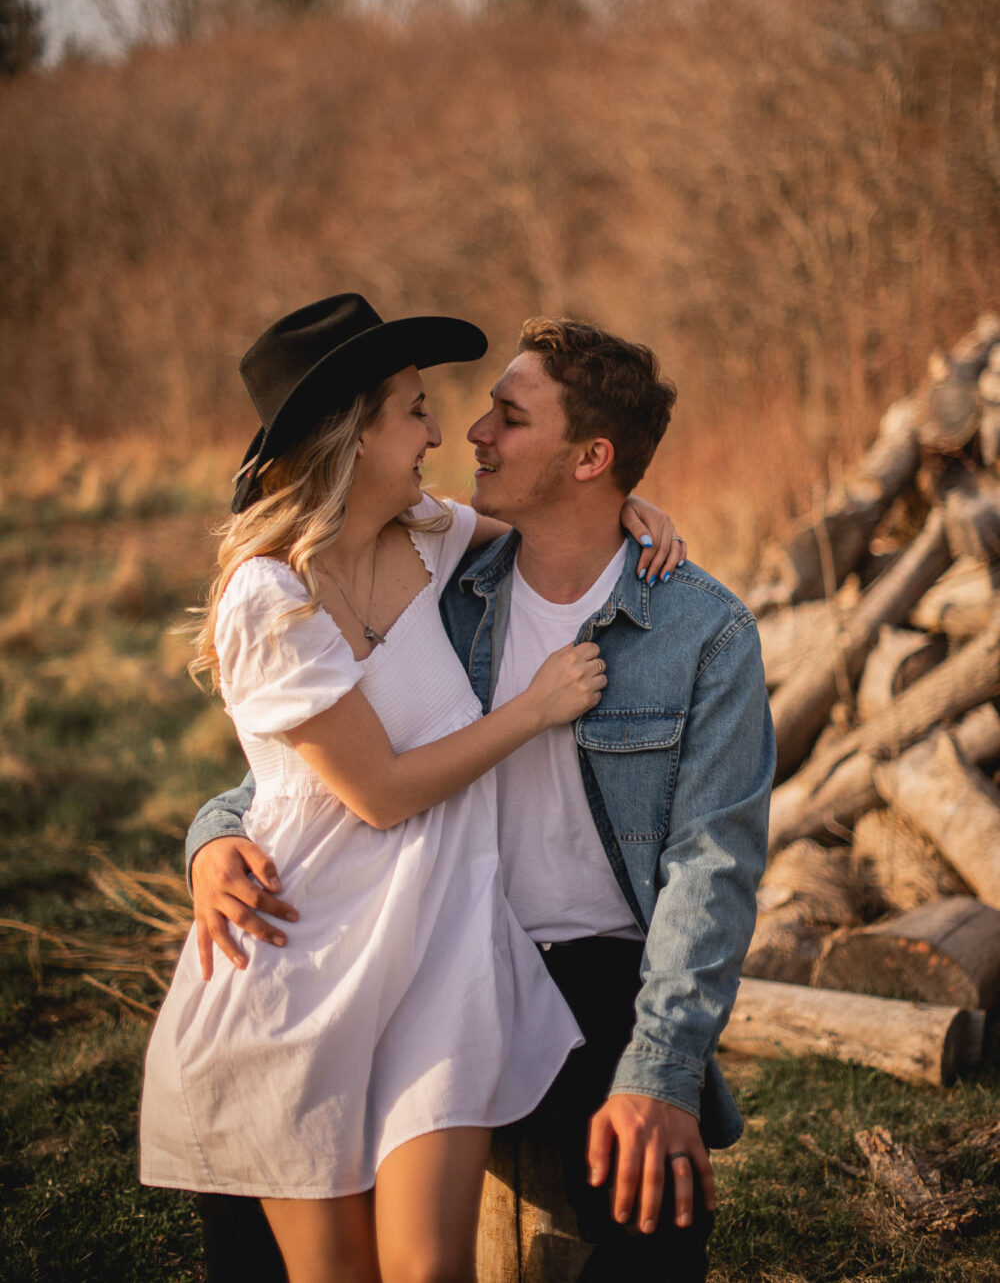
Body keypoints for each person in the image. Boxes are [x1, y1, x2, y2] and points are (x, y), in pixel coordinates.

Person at [186, 315, 774, 1283]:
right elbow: (310, 773)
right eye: (464, 409)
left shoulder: (702, 635)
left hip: (596, 976)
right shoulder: (443, 582)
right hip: (437, 944)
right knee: (260, 1165)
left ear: (590, 457)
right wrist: (212, 841)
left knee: (655, 1221)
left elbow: (712, 869)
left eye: (508, 415)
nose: (469, 432)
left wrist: (660, 1070)